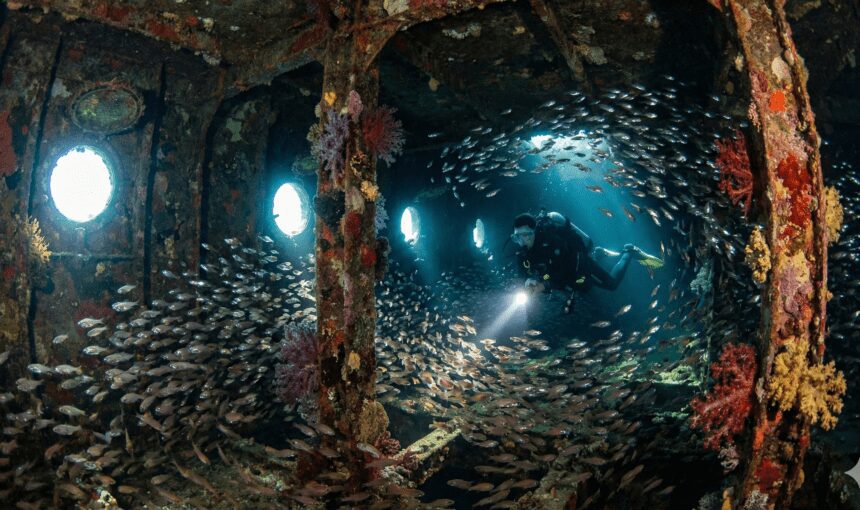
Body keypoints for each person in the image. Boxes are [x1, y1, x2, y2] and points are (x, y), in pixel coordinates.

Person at [511, 210, 662, 313]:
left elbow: (566, 268)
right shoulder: (523, 252)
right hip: (567, 281)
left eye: (526, 235)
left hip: (581, 266)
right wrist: (527, 280)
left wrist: (544, 285)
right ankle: (599, 254)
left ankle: (628, 252)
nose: (521, 240)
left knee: (612, 284)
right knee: (584, 290)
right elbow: (523, 269)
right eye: (517, 237)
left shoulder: (552, 241)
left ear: (534, 231)